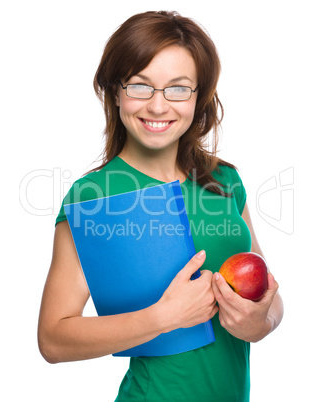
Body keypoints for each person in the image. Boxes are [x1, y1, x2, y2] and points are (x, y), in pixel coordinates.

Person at [38, 11, 283, 402]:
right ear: (115, 92)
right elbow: (53, 338)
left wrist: (260, 322)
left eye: (178, 88)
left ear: (199, 96)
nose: (157, 106)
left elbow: (269, 297)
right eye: (140, 86)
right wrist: (161, 318)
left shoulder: (224, 181)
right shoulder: (93, 196)